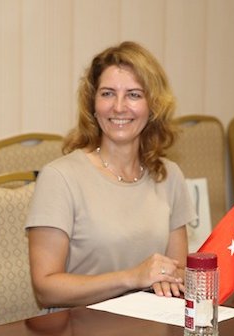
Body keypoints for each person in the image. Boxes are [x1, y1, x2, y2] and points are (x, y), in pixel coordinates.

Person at [25, 41, 196, 309]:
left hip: (151, 322)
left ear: (153, 106)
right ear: (93, 104)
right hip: (80, 328)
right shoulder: (59, 177)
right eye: (107, 94)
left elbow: (179, 271)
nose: (118, 107)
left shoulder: (169, 175)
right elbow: (45, 289)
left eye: (134, 95)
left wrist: (172, 277)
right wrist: (132, 278)